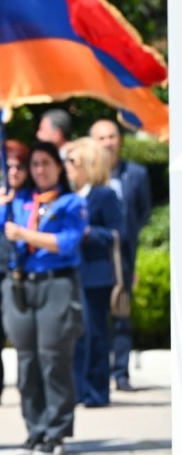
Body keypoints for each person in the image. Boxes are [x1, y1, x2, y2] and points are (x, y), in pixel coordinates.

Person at [0, 141, 86, 455]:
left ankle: (56, 430)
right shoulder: (20, 201)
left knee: (53, 358)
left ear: (58, 167)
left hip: (56, 281)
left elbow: (67, 242)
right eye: (34, 165)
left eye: (46, 163)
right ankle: (34, 428)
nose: (40, 170)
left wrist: (25, 235)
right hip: (20, 283)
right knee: (27, 361)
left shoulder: (70, 202)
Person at [89, 119, 153, 392]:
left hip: (122, 255)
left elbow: (143, 212)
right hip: (92, 256)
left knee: (122, 313)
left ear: (120, 140)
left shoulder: (136, 174)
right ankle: (97, 373)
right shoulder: (86, 176)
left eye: (111, 137)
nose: (107, 143)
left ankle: (121, 372)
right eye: (101, 138)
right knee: (94, 318)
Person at [65, 137, 123, 408]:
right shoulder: (69, 196)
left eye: (72, 161)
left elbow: (117, 233)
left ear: (87, 163)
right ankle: (77, 390)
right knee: (74, 336)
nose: (67, 166)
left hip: (95, 275)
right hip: (70, 273)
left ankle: (97, 391)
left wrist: (87, 233)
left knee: (94, 335)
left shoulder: (104, 195)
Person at [0, 141, 31, 406]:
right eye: (8, 166)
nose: (13, 172)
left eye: (19, 166)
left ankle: (29, 389)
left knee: (24, 335)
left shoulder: (34, 196)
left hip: (23, 271)